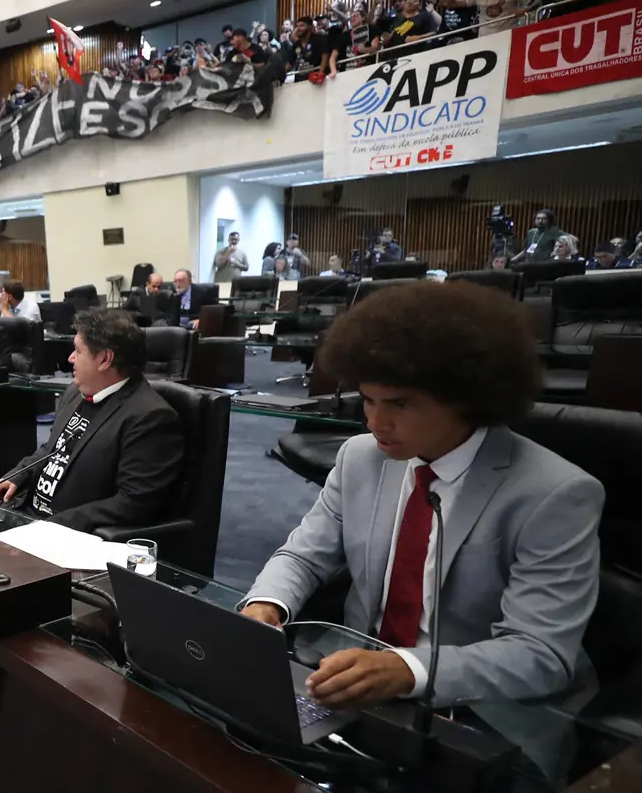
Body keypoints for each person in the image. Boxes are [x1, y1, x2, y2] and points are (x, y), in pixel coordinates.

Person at [240, 283, 600, 727]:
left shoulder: (556, 493)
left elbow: (540, 654)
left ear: (467, 398)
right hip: (351, 681)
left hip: (483, 712)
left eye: (400, 404)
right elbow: (304, 556)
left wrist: (408, 669)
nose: (376, 422)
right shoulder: (360, 458)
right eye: (368, 400)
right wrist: (267, 604)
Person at [0, 308, 184, 533]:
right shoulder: (75, 392)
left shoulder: (150, 417)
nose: (70, 358)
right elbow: (52, 448)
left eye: (78, 351)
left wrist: (55, 525)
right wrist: (21, 473)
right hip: (25, 515)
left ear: (105, 359)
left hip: (69, 535)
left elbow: (135, 503)